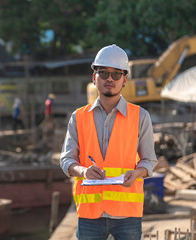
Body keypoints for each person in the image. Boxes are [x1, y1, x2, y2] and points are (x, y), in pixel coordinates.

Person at [59, 44, 158, 240]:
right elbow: (66, 160)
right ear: (94, 77)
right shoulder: (78, 117)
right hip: (89, 214)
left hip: (127, 214)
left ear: (125, 79)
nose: (110, 79)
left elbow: (149, 161)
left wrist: (137, 172)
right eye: (103, 73)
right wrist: (83, 171)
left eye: (116, 74)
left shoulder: (140, 117)